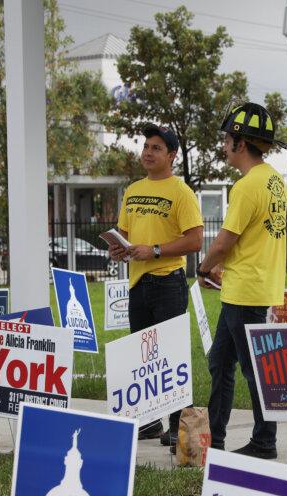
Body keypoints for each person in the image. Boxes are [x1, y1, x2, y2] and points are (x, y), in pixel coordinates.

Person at [196, 102, 287, 459]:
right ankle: (215, 437)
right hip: (248, 286)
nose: (223, 145)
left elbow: (225, 240)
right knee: (220, 360)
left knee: (254, 370)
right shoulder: (274, 180)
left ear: (240, 142)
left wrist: (204, 268)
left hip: (246, 289)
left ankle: (265, 442)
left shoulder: (247, 186)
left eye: (226, 139)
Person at [110, 124, 203, 449]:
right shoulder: (133, 190)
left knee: (172, 359)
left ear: (172, 155)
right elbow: (126, 232)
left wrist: (156, 250)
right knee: (143, 358)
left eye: (156, 148)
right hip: (137, 284)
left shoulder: (182, 192)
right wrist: (120, 248)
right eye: (146, 146)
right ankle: (148, 421)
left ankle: (178, 427)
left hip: (168, 283)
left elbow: (195, 240)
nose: (148, 152)